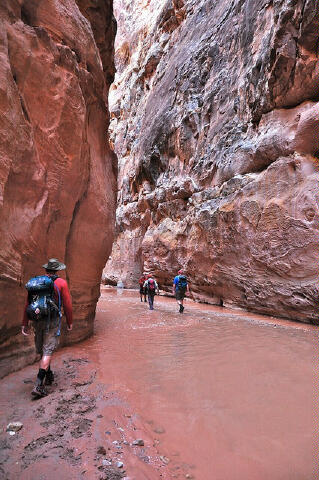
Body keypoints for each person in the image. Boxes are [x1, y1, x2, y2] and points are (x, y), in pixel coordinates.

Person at [22, 258, 73, 398]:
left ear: (46, 269)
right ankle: (39, 385)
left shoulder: (35, 283)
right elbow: (67, 305)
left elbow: (28, 304)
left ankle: (49, 375)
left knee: (42, 349)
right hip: (52, 320)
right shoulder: (61, 283)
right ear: (57, 270)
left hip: (37, 319)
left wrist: (24, 323)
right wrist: (70, 321)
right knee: (47, 351)